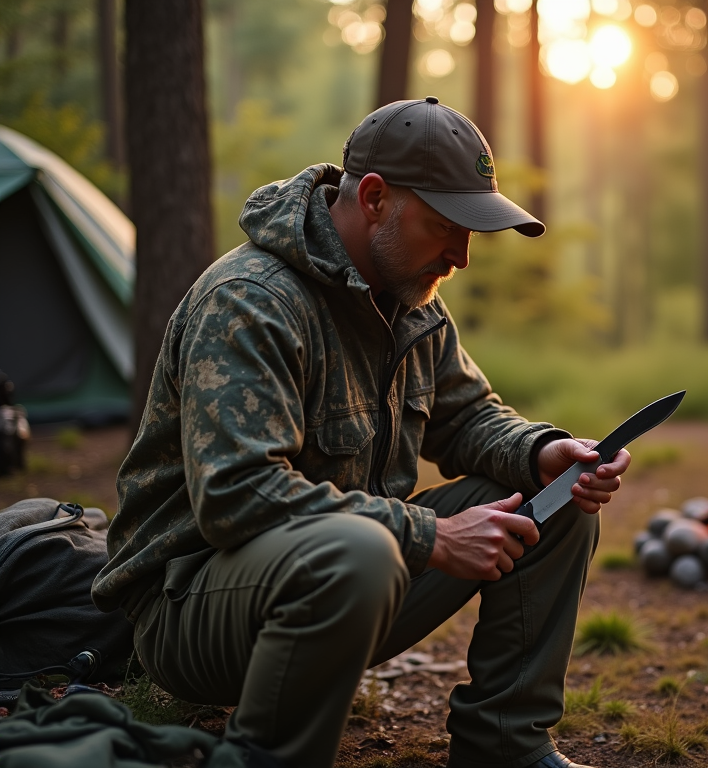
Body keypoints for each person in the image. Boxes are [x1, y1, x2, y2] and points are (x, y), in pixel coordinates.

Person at [93, 98, 631, 768]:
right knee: (362, 551)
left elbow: (467, 416)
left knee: (553, 503)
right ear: (374, 197)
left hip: (348, 581)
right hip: (195, 610)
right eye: (446, 226)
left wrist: (544, 452)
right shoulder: (250, 302)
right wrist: (430, 535)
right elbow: (238, 494)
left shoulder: (409, 299)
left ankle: (505, 743)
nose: (462, 256)